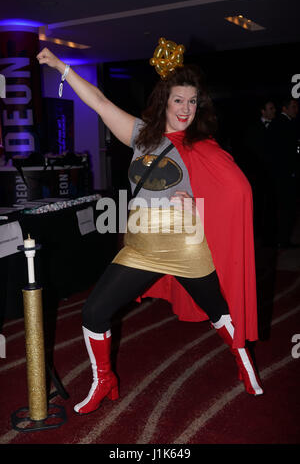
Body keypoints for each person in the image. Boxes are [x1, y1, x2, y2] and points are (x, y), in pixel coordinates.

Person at [37, 44, 264, 415]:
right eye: (179, 100)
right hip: (140, 246)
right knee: (94, 312)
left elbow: (234, 192)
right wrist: (62, 68)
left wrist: (199, 206)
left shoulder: (201, 147)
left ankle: (243, 361)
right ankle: (104, 379)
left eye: (193, 102)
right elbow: (98, 101)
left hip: (185, 246)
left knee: (219, 311)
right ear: (164, 101)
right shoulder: (141, 134)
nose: (186, 110)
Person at [243, 99, 276, 243]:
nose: (273, 111)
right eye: (270, 108)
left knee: (271, 204)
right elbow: (250, 152)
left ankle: (269, 234)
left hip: (273, 174)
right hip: (257, 174)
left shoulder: (277, 126)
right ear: (263, 111)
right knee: (257, 205)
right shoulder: (253, 128)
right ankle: (256, 234)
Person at [268, 98, 299, 248]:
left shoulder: (285, 124)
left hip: (283, 174)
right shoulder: (283, 124)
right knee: (286, 208)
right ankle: (283, 240)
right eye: (293, 106)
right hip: (284, 175)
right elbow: (285, 153)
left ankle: (283, 239)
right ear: (285, 108)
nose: (296, 109)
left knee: (286, 208)